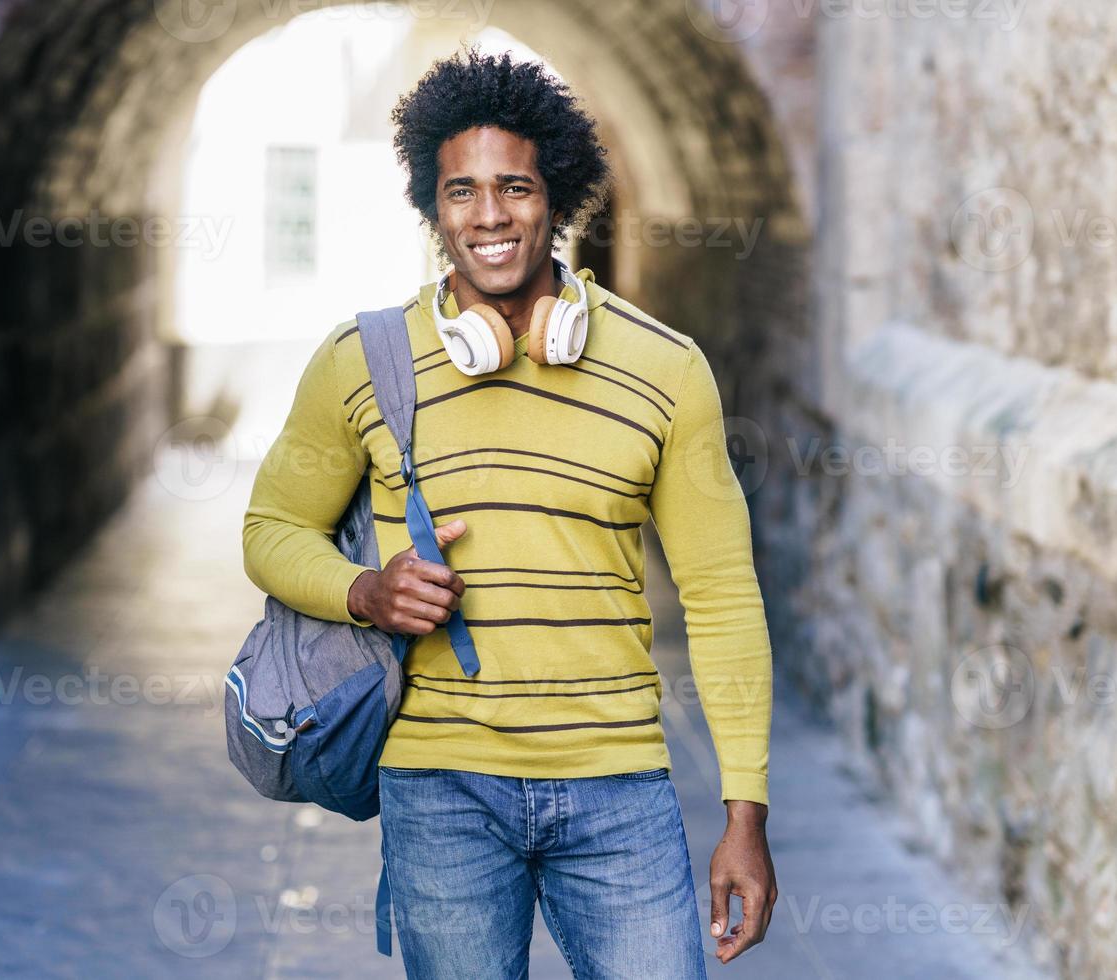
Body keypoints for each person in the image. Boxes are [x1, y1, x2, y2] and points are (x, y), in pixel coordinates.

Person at [242, 46, 777, 979]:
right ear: (432, 206)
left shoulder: (666, 369)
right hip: (437, 791)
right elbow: (269, 531)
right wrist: (364, 590)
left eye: (515, 187)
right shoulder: (361, 363)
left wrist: (745, 815)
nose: (488, 216)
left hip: (619, 792)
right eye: (461, 192)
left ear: (558, 198)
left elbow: (724, 596)